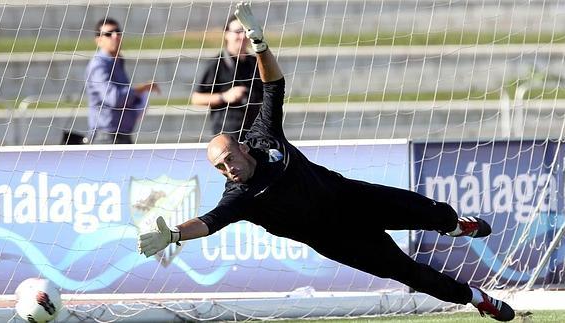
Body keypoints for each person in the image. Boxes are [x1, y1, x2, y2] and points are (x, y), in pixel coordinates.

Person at [138, 3, 515, 321]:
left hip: (352, 197)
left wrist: (262, 48)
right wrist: (173, 234)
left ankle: (453, 225)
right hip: (337, 239)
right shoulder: (240, 196)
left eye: (228, 159)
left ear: (240, 147)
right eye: (219, 168)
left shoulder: (263, 136)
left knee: (431, 212)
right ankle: (475, 298)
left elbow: (274, 87)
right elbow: (208, 223)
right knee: (409, 272)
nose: (227, 169)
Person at [85, 17, 160, 144]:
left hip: (121, 134)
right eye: (108, 34)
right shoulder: (99, 65)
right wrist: (142, 89)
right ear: (98, 40)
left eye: (117, 32)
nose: (115, 36)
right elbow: (114, 98)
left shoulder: (117, 61)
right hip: (107, 136)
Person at [190, 14, 263, 141]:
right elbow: (196, 99)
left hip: (255, 134)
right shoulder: (216, 64)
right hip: (227, 137)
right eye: (238, 32)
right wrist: (224, 97)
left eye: (246, 32)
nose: (242, 36)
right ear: (226, 34)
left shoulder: (256, 62)